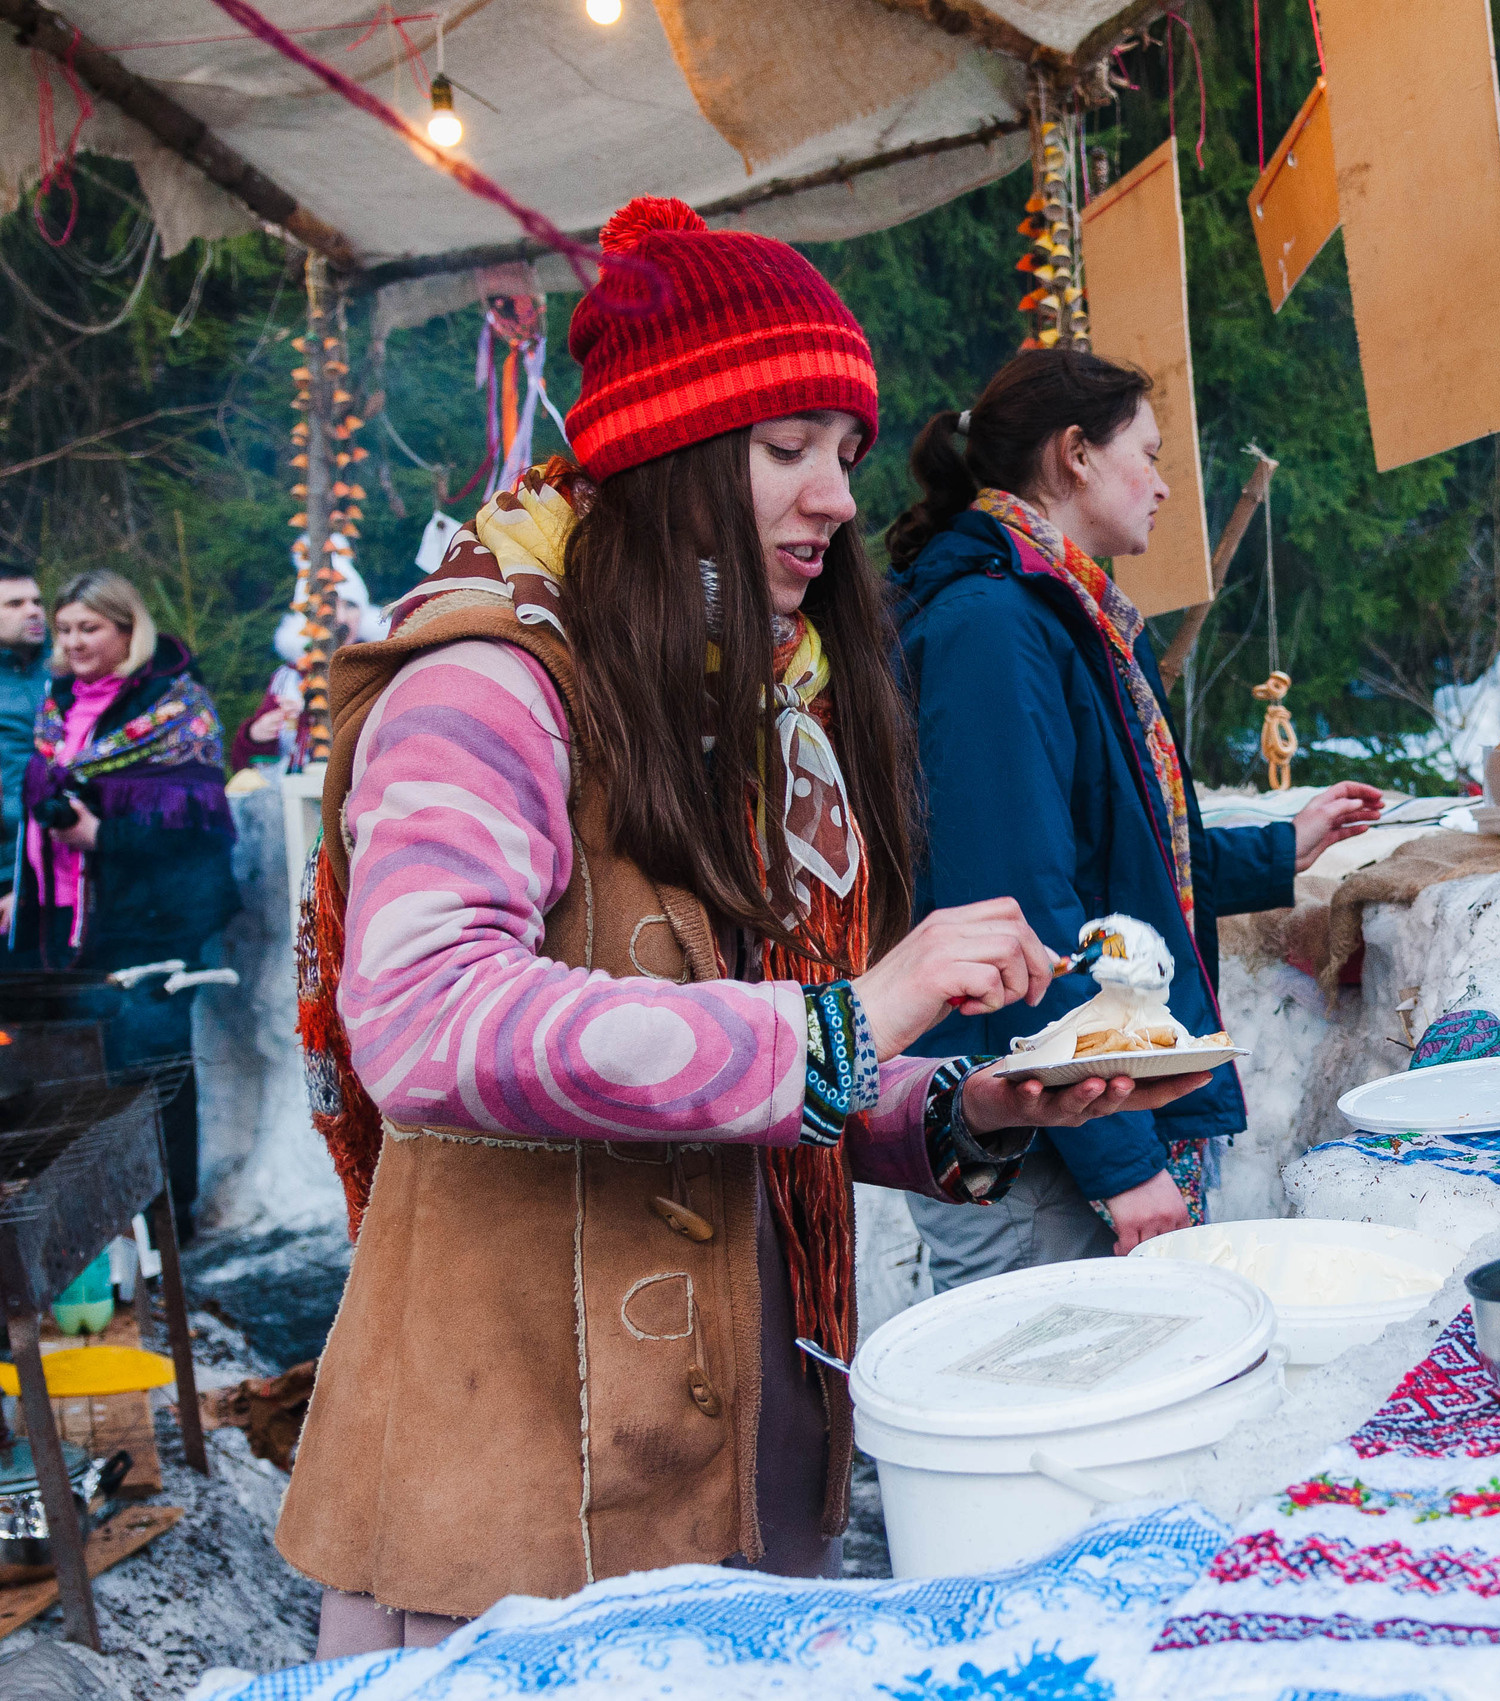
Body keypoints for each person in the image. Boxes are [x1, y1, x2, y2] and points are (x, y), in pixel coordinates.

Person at [273, 197, 1204, 1652]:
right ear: (665, 460)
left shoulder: (749, 709)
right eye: (784, 453)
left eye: (842, 453)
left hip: (734, 1475)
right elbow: (430, 1018)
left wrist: (958, 1111)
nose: (835, 497)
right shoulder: (487, 685)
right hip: (510, 1506)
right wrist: (847, 1023)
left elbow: (760, 1056)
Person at [888, 349, 1381, 1284]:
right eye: (1147, 455)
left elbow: (1122, 851)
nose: (1161, 485)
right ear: (1075, 454)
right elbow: (1017, 909)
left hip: (1075, 1106)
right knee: (1049, 1413)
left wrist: (1286, 846)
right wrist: (1125, 1163)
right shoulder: (993, 626)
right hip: (1037, 1138)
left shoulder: (1061, 609)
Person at [0, 570, 239, 1225]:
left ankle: (168, 1212)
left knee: (154, 1062)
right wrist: (30, 888)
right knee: (102, 1066)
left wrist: (103, 833)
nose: (73, 641)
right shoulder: (60, 699)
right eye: (66, 628)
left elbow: (198, 821)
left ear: (128, 630)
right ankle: (118, 1211)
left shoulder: (172, 702)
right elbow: (43, 798)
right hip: (85, 909)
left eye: (89, 628)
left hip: (160, 910)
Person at [231, 541, 387, 771]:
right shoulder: (289, 678)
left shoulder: (381, 671)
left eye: (351, 606)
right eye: (330, 607)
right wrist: (256, 734)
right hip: (297, 795)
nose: (341, 618)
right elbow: (246, 763)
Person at [0, 564, 46, 973]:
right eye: (15, 603)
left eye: (37, 601)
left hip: (60, 865)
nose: (33, 611)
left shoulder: (65, 670)